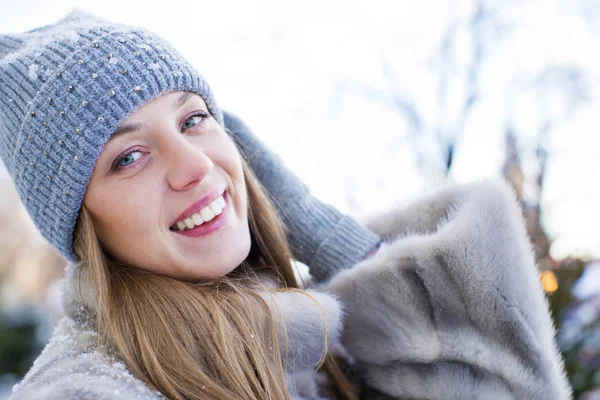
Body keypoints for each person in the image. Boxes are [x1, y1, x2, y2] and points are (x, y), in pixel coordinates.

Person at [0, 11, 571, 400]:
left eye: (193, 119)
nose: (196, 166)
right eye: (128, 157)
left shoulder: (310, 349)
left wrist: (321, 229)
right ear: (81, 224)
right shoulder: (89, 388)